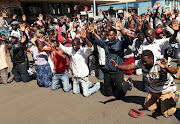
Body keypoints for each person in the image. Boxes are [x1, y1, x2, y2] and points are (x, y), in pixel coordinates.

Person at [110, 50, 179, 118]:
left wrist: (166, 68)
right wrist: (117, 67)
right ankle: (160, 101)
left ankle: (175, 97)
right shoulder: (141, 62)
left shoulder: (161, 62)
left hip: (165, 89)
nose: (143, 63)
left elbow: (174, 71)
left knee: (166, 113)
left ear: (152, 58)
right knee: (149, 107)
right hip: (153, 90)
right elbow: (129, 67)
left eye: (145, 62)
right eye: (142, 61)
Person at [89, 19, 133, 99]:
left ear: (115, 35)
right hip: (108, 72)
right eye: (108, 35)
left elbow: (129, 42)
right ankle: (116, 86)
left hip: (117, 72)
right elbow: (94, 40)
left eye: (110, 35)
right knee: (108, 94)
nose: (108, 37)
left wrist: (122, 30)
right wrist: (90, 33)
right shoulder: (105, 44)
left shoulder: (120, 43)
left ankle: (127, 83)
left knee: (120, 96)